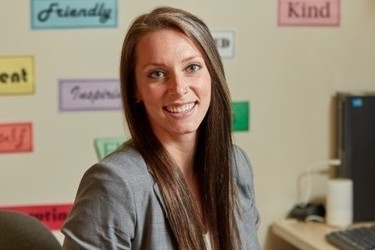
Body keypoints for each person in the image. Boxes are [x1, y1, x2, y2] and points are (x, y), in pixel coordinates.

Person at [61, 6, 260, 250]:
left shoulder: (235, 165)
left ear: (213, 74)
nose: (179, 88)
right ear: (135, 89)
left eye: (192, 68)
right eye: (157, 74)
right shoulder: (115, 184)